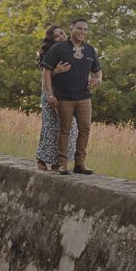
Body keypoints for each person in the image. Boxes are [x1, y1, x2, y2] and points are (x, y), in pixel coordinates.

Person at [40, 17, 103, 174]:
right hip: (64, 97)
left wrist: (98, 79)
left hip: (83, 97)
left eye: (85, 30)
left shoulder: (90, 50)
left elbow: (98, 71)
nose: (82, 32)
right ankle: (62, 164)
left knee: (85, 129)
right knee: (65, 130)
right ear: (71, 29)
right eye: (79, 28)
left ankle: (79, 164)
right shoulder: (59, 48)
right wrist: (50, 94)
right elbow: (46, 72)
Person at [34, 26, 73, 170]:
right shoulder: (50, 53)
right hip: (50, 93)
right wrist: (56, 71)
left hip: (67, 93)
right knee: (50, 127)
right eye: (57, 36)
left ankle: (59, 160)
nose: (61, 37)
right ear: (51, 40)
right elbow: (45, 76)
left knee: (67, 127)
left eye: (62, 33)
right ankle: (41, 158)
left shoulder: (71, 50)